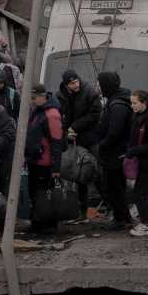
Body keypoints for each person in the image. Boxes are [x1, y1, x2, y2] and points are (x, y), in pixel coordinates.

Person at [58, 69, 103, 219]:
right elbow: (64, 117)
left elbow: (95, 114)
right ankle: (81, 212)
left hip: (90, 139)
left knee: (96, 172)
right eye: (72, 83)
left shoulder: (89, 92)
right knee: (79, 176)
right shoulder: (63, 95)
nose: (75, 85)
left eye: (76, 81)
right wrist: (66, 133)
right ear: (66, 85)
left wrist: (75, 127)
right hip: (74, 140)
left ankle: (110, 207)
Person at [25, 85, 66, 235]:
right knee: (35, 193)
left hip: (45, 162)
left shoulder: (52, 114)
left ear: (42, 96)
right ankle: (38, 222)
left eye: (34, 98)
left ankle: (48, 226)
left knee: (43, 195)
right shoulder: (37, 110)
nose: (32, 101)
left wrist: (56, 168)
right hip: (35, 160)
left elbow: (57, 142)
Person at [95, 71, 133, 231]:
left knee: (114, 186)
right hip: (114, 151)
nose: (97, 87)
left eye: (100, 84)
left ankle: (121, 218)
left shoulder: (117, 105)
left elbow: (115, 132)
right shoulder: (117, 100)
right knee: (115, 186)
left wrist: (102, 144)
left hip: (115, 153)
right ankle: (123, 217)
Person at [125, 89, 148, 237]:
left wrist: (135, 150)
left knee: (140, 192)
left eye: (135, 103)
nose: (132, 106)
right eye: (131, 103)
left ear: (144, 103)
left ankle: (146, 223)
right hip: (141, 159)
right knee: (143, 192)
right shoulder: (139, 117)